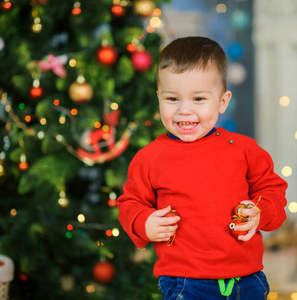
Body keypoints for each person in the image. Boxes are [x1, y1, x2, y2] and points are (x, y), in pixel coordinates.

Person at [117, 36, 287, 300]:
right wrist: (144, 223)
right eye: (172, 99)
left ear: (222, 101)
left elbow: (271, 188)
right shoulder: (149, 158)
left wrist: (260, 212)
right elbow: (130, 203)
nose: (185, 110)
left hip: (247, 280)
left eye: (198, 99)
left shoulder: (243, 150)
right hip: (186, 283)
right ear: (159, 98)